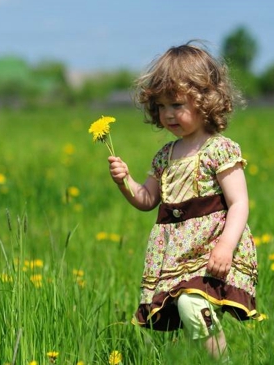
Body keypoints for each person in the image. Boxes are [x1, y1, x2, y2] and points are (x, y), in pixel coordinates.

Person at [107, 41, 260, 360]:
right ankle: (209, 355)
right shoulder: (164, 155)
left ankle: (220, 359)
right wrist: (125, 182)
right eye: (161, 106)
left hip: (211, 247)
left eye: (176, 104)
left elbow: (239, 203)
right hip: (176, 253)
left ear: (206, 101)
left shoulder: (220, 149)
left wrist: (226, 247)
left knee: (192, 303)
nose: (168, 114)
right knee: (189, 308)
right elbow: (148, 199)